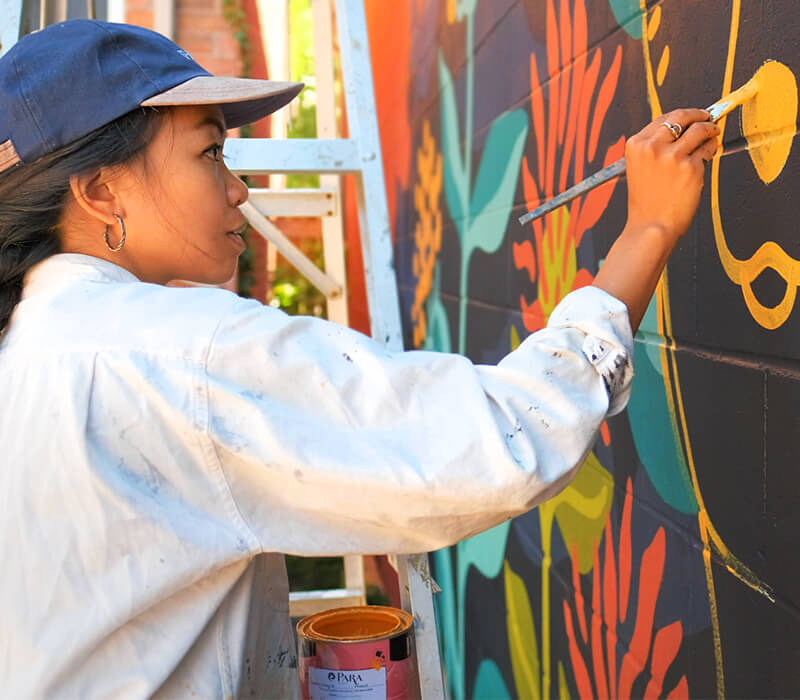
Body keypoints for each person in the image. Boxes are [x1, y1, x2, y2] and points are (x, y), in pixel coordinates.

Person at [0, 19, 719, 699]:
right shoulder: (176, 350)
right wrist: (648, 230)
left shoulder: (30, 349)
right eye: (209, 151)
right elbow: (501, 439)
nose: (237, 188)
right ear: (100, 191)